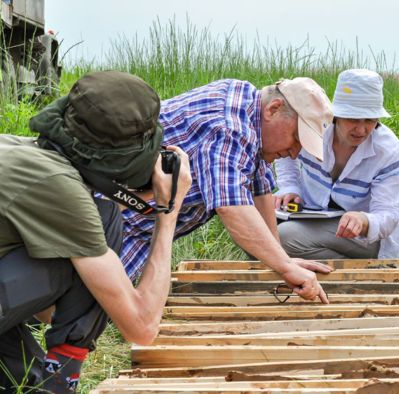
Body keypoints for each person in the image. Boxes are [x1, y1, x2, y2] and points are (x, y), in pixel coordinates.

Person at [0, 71, 192, 393]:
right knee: (101, 227)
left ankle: (51, 381)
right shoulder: (57, 186)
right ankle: (62, 383)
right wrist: (167, 211)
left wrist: (133, 196)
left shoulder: (22, 152)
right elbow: (142, 327)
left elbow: (51, 310)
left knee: (29, 384)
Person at [120, 77, 334, 303]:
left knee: (100, 313)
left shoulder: (250, 113)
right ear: (274, 109)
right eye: (296, 139)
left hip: (140, 228)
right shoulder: (230, 126)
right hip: (118, 217)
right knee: (87, 311)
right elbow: (231, 206)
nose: (293, 153)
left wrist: (283, 260)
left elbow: (258, 190)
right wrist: (286, 266)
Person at [274, 69, 399, 259]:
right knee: (255, 227)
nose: (361, 129)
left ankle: (363, 275)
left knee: (284, 236)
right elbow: (285, 153)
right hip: (310, 218)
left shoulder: (387, 150)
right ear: (336, 115)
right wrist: (290, 187)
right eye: (353, 119)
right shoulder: (315, 127)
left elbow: (388, 214)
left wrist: (364, 220)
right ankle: (350, 272)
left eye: (370, 120)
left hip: (363, 238)